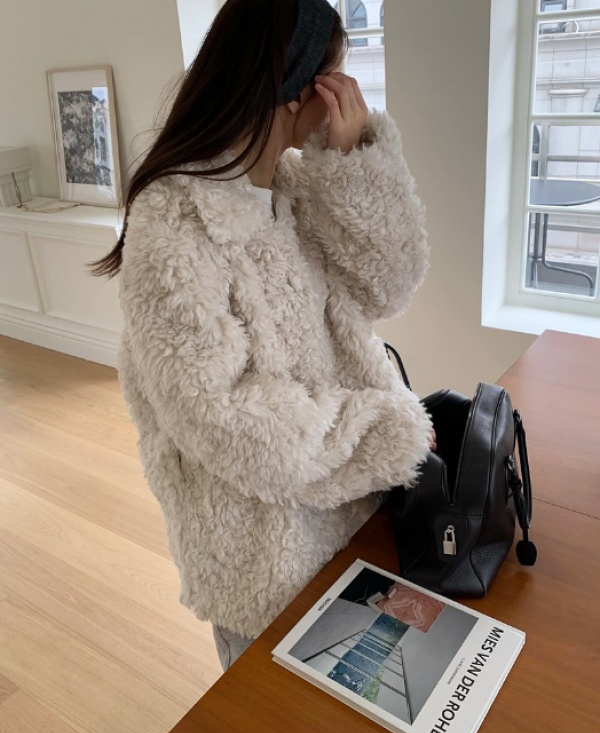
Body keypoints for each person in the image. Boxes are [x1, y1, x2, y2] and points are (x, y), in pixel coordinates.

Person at [92, 0, 435, 671]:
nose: (348, 94)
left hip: (352, 517)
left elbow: (389, 287)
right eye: (339, 75)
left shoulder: (299, 187)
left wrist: (354, 161)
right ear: (303, 89)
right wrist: (378, 429)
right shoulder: (175, 217)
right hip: (262, 553)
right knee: (276, 713)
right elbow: (219, 416)